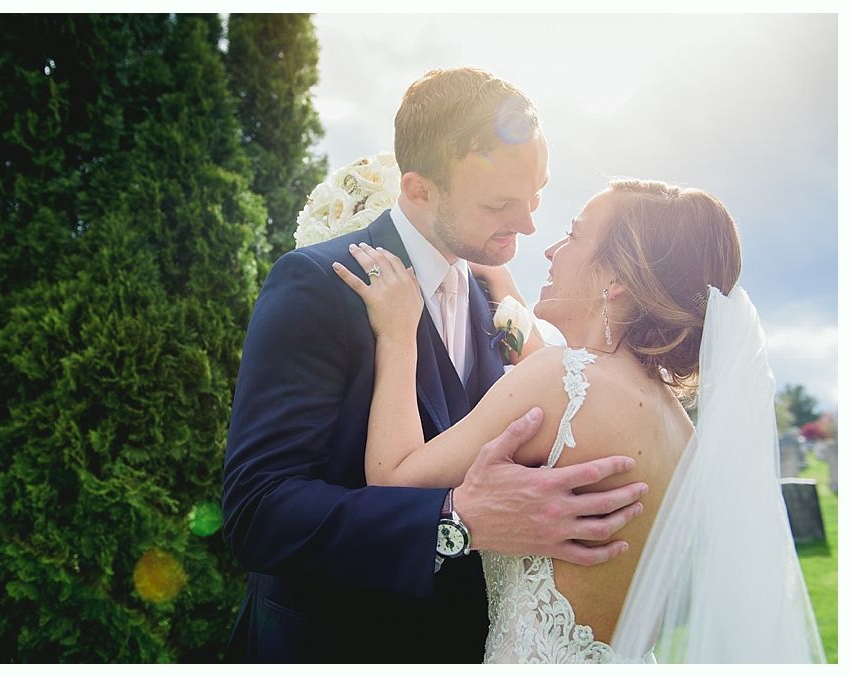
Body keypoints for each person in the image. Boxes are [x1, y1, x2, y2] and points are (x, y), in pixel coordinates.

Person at [221, 67, 648, 663]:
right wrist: (454, 519)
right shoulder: (318, 284)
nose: (528, 224)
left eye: (537, 194)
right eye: (500, 204)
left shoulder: (498, 297)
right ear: (418, 189)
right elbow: (258, 512)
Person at [334, 179, 824, 663]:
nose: (549, 250)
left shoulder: (557, 381)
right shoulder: (677, 427)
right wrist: (507, 295)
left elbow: (392, 475)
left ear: (618, 282)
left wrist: (398, 334)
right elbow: (567, 384)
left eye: (573, 235)